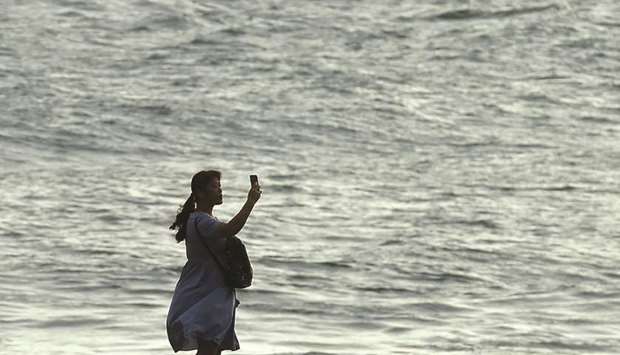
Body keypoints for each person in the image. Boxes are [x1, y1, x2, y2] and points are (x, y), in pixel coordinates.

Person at [166, 170, 261, 355]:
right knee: (210, 346)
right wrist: (250, 202)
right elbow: (232, 228)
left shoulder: (198, 219)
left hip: (206, 288)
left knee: (213, 347)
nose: (220, 190)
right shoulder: (201, 220)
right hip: (209, 291)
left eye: (220, 186)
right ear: (200, 193)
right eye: (215, 187)